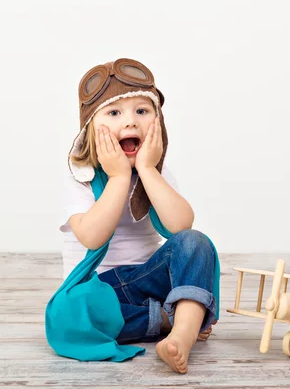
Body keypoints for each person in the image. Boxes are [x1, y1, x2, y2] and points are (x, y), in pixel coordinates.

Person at [58, 57, 219, 373]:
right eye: (115, 113)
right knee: (73, 312)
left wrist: (146, 169)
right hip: (101, 288)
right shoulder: (82, 176)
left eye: (142, 112)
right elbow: (91, 236)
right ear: (91, 127)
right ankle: (168, 319)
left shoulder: (156, 173)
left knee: (196, 243)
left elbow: (180, 226)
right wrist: (117, 178)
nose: (130, 122)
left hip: (148, 278)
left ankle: (182, 335)